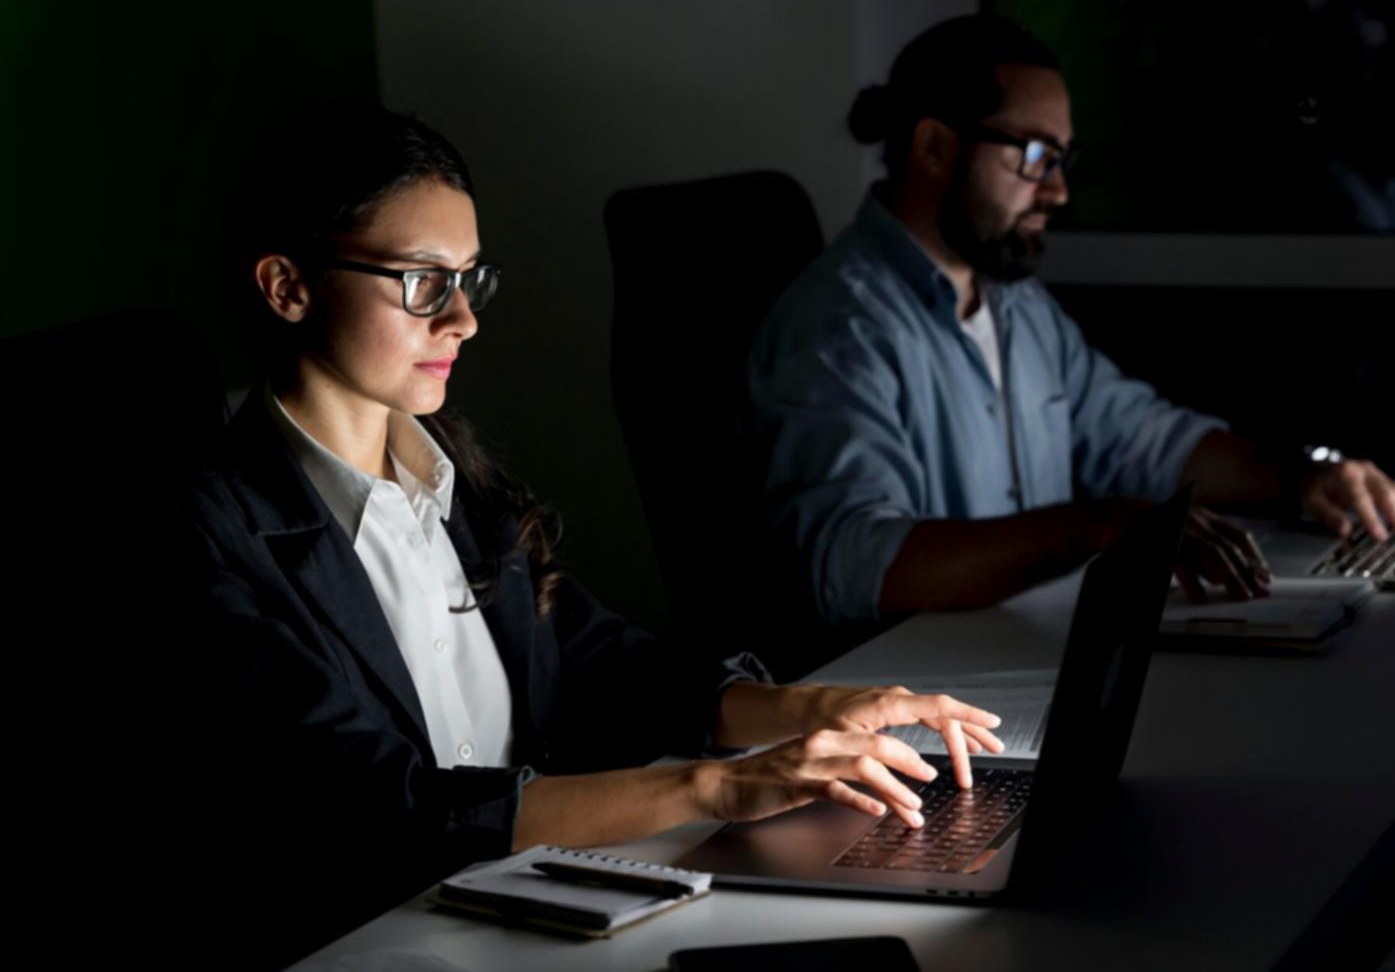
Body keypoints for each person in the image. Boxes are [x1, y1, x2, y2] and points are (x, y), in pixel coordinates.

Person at [169, 104, 1002, 969]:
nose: (463, 319)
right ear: (288, 286)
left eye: (469, 279)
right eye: (423, 282)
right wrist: (719, 785)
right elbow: (389, 803)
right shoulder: (202, 533)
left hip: (515, 909)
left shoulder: (449, 473)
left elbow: (591, 656)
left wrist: (801, 708)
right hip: (376, 940)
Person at [747, 15, 1395, 638]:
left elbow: (1140, 438)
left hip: (1023, 650)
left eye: (1061, 161)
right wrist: (1088, 528)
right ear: (932, 146)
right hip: (912, 693)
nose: (1058, 192)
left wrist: (1301, 475)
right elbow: (856, 566)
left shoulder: (1015, 304)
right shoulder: (837, 324)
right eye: (1035, 157)